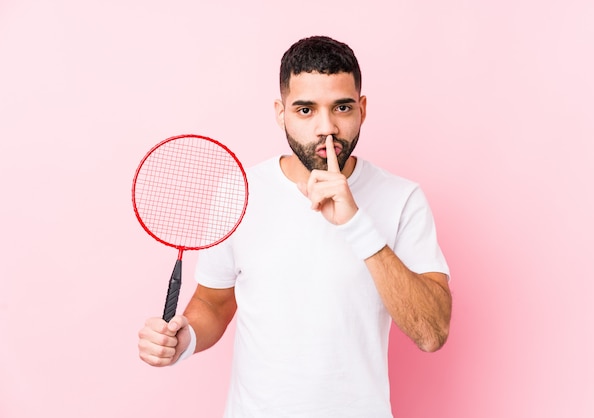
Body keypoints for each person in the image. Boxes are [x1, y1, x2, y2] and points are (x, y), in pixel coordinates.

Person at [138, 35, 452, 417]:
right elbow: (213, 302)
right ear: (280, 111)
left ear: (362, 109)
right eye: (306, 110)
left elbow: (432, 332)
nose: (327, 128)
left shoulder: (403, 199)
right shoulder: (240, 193)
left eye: (342, 107)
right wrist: (185, 339)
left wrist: (356, 223)